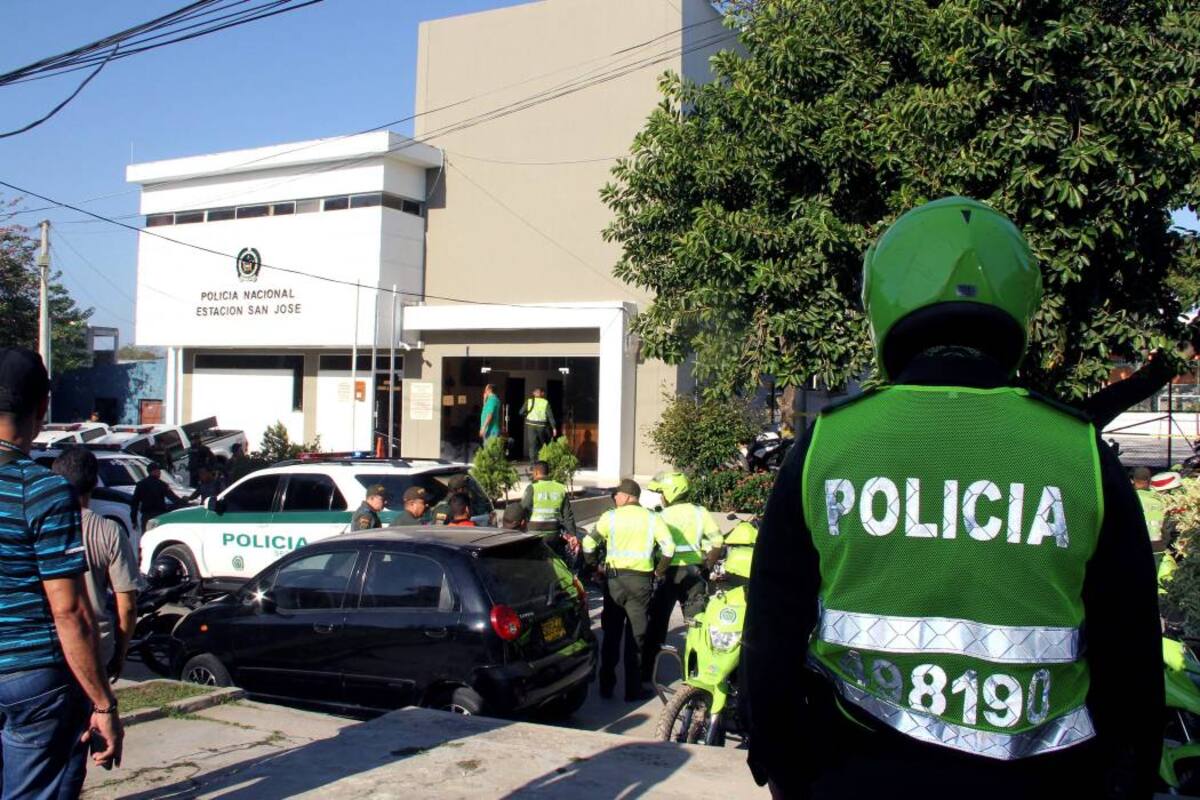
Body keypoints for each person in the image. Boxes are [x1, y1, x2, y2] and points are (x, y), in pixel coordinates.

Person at [743, 197, 1161, 799]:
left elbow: (771, 629)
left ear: (884, 300)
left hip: (855, 766)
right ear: (1020, 300)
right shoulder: (1080, 452)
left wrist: (779, 761)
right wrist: (1132, 773)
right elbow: (1132, 649)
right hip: (1046, 775)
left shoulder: (827, 444)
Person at [0, 347, 123, 793]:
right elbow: (69, 612)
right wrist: (103, 704)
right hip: (33, 677)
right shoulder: (44, 490)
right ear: (42, 407)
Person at [581, 479, 674, 702]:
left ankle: (606, 685)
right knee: (636, 638)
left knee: (611, 635)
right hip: (640, 583)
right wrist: (659, 572)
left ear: (628, 496)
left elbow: (588, 544)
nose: (615, 497)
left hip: (614, 582)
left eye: (618, 494)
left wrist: (594, 567)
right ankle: (633, 690)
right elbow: (669, 548)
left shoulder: (610, 517)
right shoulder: (652, 518)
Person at [52, 448, 139, 682]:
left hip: (51, 644)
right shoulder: (109, 531)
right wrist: (120, 653)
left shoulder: (41, 527)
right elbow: (127, 606)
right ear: (94, 483)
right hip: (96, 646)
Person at [641, 471, 722, 683]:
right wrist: (707, 567)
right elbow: (717, 541)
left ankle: (647, 674)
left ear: (671, 492)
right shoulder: (700, 512)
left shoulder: (661, 515)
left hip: (668, 575)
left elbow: (652, 545)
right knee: (696, 627)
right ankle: (696, 675)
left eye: (662, 493)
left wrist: (656, 571)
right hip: (694, 574)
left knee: (656, 625)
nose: (661, 497)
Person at [520, 460, 579, 562]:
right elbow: (567, 515)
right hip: (553, 534)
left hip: (534, 533)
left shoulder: (532, 487)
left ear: (536, 472)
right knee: (553, 561)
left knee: (535, 562)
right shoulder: (560, 488)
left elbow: (522, 509)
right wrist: (573, 534)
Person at [130, 462, 181, 532]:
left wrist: (133, 520)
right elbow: (174, 498)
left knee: (147, 536)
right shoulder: (162, 484)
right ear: (152, 471)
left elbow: (134, 503)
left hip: (146, 517)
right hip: (160, 516)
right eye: (158, 470)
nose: (160, 472)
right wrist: (185, 503)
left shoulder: (140, 484)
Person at [520, 387, 557, 461]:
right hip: (541, 426)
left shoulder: (529, 401)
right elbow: (550, 416)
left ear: (533, 393)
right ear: (542, 394)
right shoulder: (545, 402)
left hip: (531, 425)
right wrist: (554, 428)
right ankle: (542, 461)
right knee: (542, 444)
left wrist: (527, 415)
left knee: (532, 445)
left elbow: (521, 412)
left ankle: (533, 463)